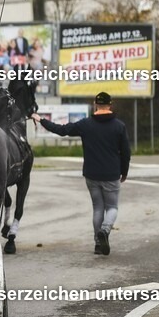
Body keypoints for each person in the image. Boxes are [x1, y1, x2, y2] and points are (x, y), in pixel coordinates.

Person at [31, 92, 130, 255]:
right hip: (112, 174)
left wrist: (41, 119)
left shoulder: (86, 124)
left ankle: (98, 244)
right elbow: (126, 152)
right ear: (110, 105)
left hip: (91, 174)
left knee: (98, 208)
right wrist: (124, 172)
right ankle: (105, 230)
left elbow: (61, 130)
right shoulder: (119, 126)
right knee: (112, 207)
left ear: (95, 104)